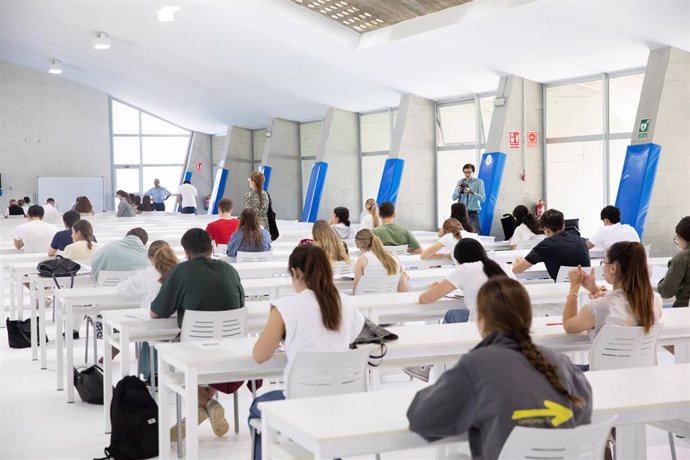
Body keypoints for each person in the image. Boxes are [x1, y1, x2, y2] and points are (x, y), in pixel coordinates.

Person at [407, 278, 592, 460]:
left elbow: (423, 420)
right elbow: (584, 412)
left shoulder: (475, 366)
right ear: (529, 319)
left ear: (480, 319)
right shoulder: (560, 361)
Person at [249, 245, 366, 459]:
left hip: (298, 405)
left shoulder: (286, 307)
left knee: (257, 406)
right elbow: (348, 339)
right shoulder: (346, 304)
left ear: (295, 272)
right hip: (339, 403)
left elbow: (259, 356)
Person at [151, 228, 245, 439]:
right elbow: (240, 305)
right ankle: (205, 407)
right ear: (212, 247)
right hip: (229, 346)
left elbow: (157, 312)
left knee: (166, 353)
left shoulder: (181, 271)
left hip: (193, 347)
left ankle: (207, 405)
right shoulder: (230, 270)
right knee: (206, 356)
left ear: (186, 252)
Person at [408, 239, 515, 382]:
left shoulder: (465, 269)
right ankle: (427, 364)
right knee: (453, 314)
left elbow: (425, 299)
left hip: (483, 330)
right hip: (513, 326)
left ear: (460, 259)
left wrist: (433, 288)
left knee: (451, 316)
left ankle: (426, 364)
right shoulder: (502, 266)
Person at [562, 242, 662, 340]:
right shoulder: (655, 299)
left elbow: (569, 326)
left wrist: (574, 286)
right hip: (643, 356)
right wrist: (594, 289)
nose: (603, 266)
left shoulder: (597, 308)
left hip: (607, 357)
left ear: (613, 268)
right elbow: (621, 304)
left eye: (604, 262)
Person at [116, 241, 178, 379]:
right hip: (178, 329)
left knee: (147, 331)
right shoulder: (181, 271)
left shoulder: (147, 274)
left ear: (151, 258)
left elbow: (122, 290)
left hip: (153, 329)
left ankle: (151, 373)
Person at [512, 209, 591, 281]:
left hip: (563, 292)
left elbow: (516, 270)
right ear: (563, 225)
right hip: (586, 291)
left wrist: (518, 261)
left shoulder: (545, 246)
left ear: (546, 229)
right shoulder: (581, 241)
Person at [353, 229, 408, 294]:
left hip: (368, 302)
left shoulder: (362, 260)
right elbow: (403, 291)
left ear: (361, 247)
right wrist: (404, 279)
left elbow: (356, 292)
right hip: (390, 301)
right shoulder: (395, 258)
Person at [658, 217, 690, 308]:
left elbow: (667, 291)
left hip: (684, 312)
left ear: (681, 238)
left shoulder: (681, 258)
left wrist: (661, 282)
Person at [451, 163, 485, 234]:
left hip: (473, 212)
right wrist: (459, 191)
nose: (467, 174)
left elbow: (482, 199)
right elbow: (454, 198)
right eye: (465, 172)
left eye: (469, 172)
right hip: (461, 213)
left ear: (473, 172)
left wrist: (471, 192)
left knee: (476, 233)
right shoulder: (460, 182)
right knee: (459, 233)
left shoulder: (479, 182)